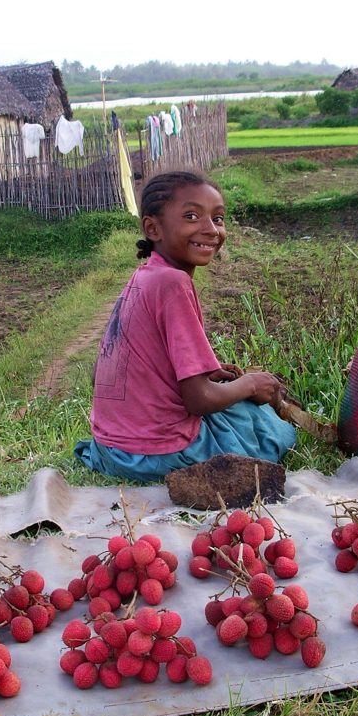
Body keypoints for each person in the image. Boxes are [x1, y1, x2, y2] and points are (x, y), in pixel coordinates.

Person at [74, 169, 296, 482]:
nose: (211, 230)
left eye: (218, 218)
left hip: (111, 448)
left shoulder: (145, 276)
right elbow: (199, 400)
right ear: (153, 228)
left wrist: (207, 372)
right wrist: (251, 384)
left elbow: (102, 373)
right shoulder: (174, 283)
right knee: (268, 426)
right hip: (154, 454)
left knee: (236, 407)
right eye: (192, 216)